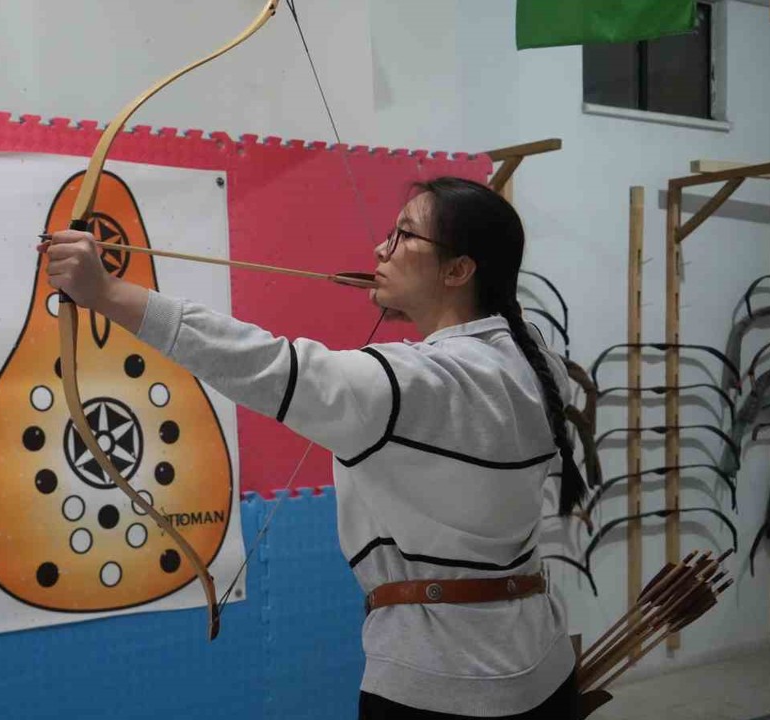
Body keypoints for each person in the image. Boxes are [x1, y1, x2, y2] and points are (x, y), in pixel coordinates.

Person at [40, 176, 583, 719]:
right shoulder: (536, 359)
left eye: (404, 237)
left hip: (443, 682)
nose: (380, 249)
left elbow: (267, 365)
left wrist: (107, 293)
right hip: (544, 662)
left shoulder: (414, 385)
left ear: (458, 270)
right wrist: (425, 309)